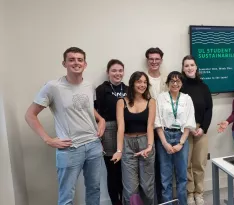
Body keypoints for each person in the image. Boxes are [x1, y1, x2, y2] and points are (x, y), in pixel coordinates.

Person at [25, 47, 106, 205]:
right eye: (72, 59)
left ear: (85, 64)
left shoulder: (89, 86)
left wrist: (101, 119)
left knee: (94, 189)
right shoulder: (53, 87)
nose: (76, 62)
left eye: (80, 59)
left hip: (93, 145)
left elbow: (86, 107)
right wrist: (47, 139)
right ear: (64, 63)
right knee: (66, 195)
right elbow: (30, 115)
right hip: (70, 148)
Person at [114, 71, 156, 204]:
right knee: (131, 188)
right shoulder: (121, 102)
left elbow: (150, 126)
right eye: (139, 81)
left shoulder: (151, 102)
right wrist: (119, 151)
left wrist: (149, 146)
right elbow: (120, 127)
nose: (142, 85)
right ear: (132, 83)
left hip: (145, 143)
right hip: (128, 145)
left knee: (147, 186)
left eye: (145, 82)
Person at [155, 71, 196, 204]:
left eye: (178, 81)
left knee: (182, 176)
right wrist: (165, 143)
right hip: (164, 136)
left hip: (181, 136)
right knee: (165, 176)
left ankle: (182, 202)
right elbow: (157, 121)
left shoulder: (187, 98)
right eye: (172, 81)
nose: (175, 83)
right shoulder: (161, 98)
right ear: (167, 83)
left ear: (182, 83)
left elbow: (189, 122)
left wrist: (181, 143)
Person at [180, 55, 212, 205]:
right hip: (185, 130)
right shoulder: (180, 86)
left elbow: (209, 109)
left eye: (192, 65)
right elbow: (177, 109)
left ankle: (199, 193)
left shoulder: (204, 87)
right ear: (183, 68)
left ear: (196, 67)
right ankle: (189, 193)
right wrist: (188, 127)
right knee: (186, 164)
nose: (189, 68)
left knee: (199, 163)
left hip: (200, 130)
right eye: (186, 65)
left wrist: (203, 128)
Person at [95, 59, 127, 205]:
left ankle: (126, 200)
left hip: (126, 131)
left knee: (125, 171)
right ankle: (116, 202)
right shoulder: (101, 90)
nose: (117, 73)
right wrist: (99, 139)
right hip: (108, 131)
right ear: (108, 72)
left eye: (120, 70)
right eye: (114, 70)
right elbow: (96, 114)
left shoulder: (128, 89)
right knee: (112, 171)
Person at [145, 47, 166, 204]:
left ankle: (162, 199)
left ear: (161, 60)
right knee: (149, 167)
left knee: (163, 167)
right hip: (149, 129)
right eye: (151, 59)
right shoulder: (142, 79)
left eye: (157, 59)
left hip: (165, 129)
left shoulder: (167, 79)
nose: (154, 62)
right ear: (147, 60)